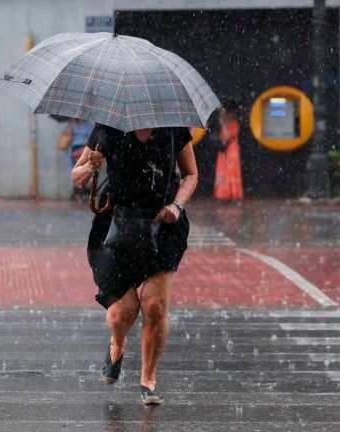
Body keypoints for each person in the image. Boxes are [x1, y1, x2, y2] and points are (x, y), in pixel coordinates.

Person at [71, 124, 197, 405]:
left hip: (163, 225)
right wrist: (92, 166)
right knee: (122, 314)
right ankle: (117, 344)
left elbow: (191, 173)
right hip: (116, 227)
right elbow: (76, 177)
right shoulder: (108, 129)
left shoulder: (174, 130)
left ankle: (148, 380)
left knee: (155, 306)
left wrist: (177, 205)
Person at [59, 119, 95, 200]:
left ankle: (84, 190)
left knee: (85, 170)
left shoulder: (88, 125)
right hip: (73, 150)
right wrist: (70, 133)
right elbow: (66, 137)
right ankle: (79, 190)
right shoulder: (71, 124)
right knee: (76, 169)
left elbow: (92, 138)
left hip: (84, 149)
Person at [213, 108, 244, 201]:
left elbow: (227, 136)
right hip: (226, 150)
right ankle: (225, 192)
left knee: (230, 171)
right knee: (224, 171)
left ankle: (230, 192)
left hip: (230, 150)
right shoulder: (226, 124)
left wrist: (223, 124)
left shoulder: (232, 124)